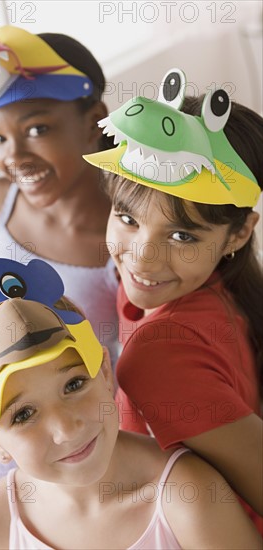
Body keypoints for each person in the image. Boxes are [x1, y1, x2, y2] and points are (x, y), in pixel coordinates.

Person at [0, 13, 119, 547]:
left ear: (94, 120)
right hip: (18, 417)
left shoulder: (119, 232)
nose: (15, 156)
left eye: (37, 129)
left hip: (89, 417)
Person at [0, 260, 261, 550]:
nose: (66, 428)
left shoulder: (189, 497)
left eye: (74, 385)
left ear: (105, 372)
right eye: (23, 414)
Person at [84, 68, 263, 533]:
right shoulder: (215, 285)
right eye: (127, 218)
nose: (142, 257)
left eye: (182, 235)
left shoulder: (162, 354)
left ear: (239, 233)